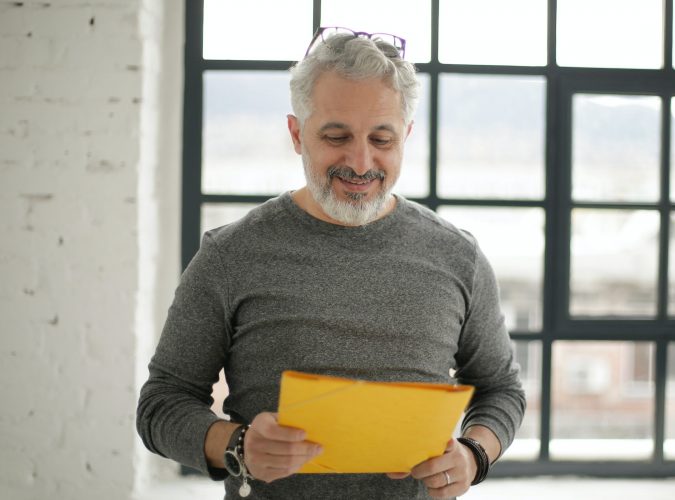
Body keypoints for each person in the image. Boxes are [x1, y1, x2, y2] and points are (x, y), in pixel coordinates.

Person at [136, 26, 525, 499]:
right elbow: (160, 405)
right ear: (297, 134)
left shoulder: (457, 256)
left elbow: (501, 389)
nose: (360, 162)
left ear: (407, 134)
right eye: (336, 136)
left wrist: (473, 454)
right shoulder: (231, 255)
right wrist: (236, 445)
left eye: (382, 139)